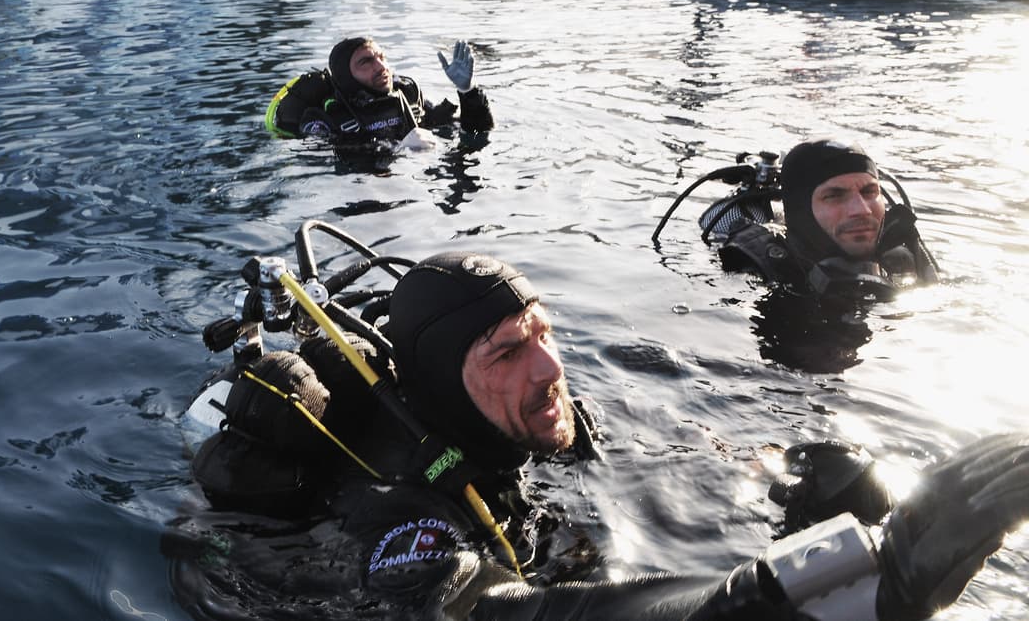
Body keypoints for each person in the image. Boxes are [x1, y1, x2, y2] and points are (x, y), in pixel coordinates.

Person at [171, 251, 1029, 621]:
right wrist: (793, 592)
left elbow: (661, 463)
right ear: (441, 382)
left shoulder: (535, 423)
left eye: (542, 333)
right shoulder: (397, 514)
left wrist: (788, 478)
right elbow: (492, 616)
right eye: (506, 352)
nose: (548, 369)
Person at [718, 138, 938, 299]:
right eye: (834, 195)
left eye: (869, 192)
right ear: (801, 211)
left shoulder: (905, 257)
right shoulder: (754, 276)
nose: (862, 210)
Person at [266, 36, 494, 149]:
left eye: (381, 57)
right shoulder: (326, 118)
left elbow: (475, 131)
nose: (381, 67)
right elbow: (328, 165)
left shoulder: (407, 94)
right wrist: (399, 151)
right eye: (366, 62)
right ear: (346, 76)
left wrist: (468, 91)